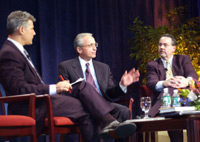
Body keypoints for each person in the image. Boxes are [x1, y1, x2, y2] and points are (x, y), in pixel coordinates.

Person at [0, 10, 101, 142]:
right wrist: (54, 88)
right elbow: (19, 89)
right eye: (32, 29)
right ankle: (109, 120)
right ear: (21, 30)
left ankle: (108, 120)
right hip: (30, 107)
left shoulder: (16, 50)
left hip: (39, 102)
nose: (34, 33)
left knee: (83, 93)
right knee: (85, 107)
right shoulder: (9, 53)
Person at [58, 33, 140, 141]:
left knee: (123, 110)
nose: (94, 48)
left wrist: (122, 85)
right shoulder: (66, 66)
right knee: (90, 115)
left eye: (95, 44)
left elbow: (110, 93)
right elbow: (65, 92)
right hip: (82, 107)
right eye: (90, 45)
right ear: (79, 49)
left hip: (104, 104)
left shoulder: (103, 68)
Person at [146, 33, 198, 142]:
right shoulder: (153, 65)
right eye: (160, 45)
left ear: (173, 48)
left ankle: (151, 114)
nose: (161, 47)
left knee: (172, 89)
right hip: (166, 102)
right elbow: (151, 83)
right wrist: (165, 83)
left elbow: (193, 76)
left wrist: (185, 81)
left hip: (186, 98)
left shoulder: (183, 59)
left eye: (165, 45)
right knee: (169, 89)